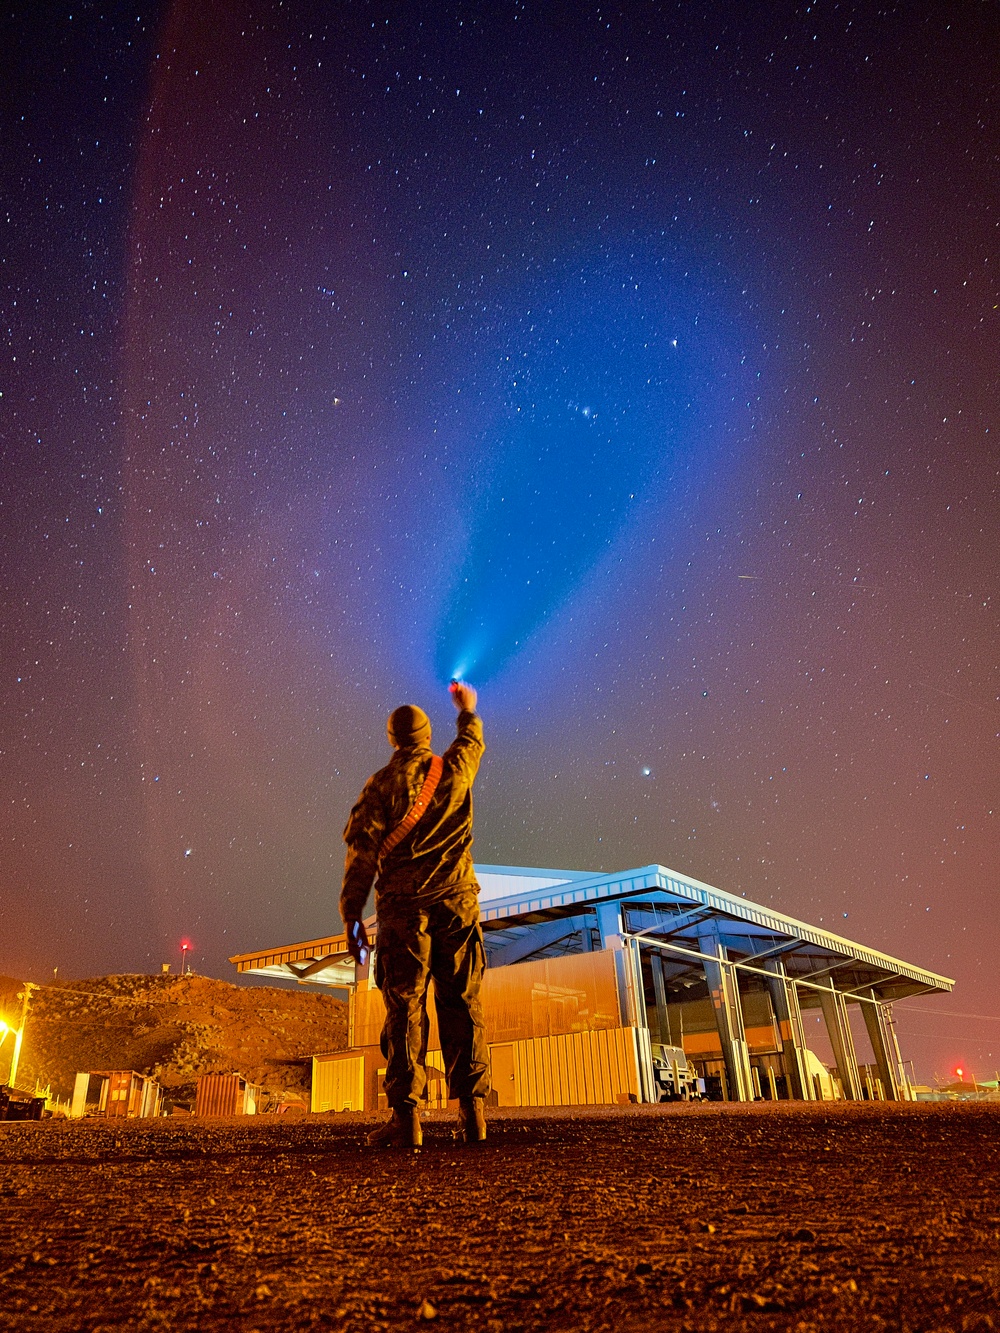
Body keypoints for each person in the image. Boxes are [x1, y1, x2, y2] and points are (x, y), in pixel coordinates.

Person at [340, 680, 490, 1148]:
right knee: (462, 1003)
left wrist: (351, 913)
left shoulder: (380, 786)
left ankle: (407, 1121)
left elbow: (362, 855)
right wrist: (467, 710)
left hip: (404, 910)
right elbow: (472, 741)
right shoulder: (455, 769)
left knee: (404, 1007)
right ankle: (473, 1116)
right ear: (427, 736)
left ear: (392, 739)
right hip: (457, 902)